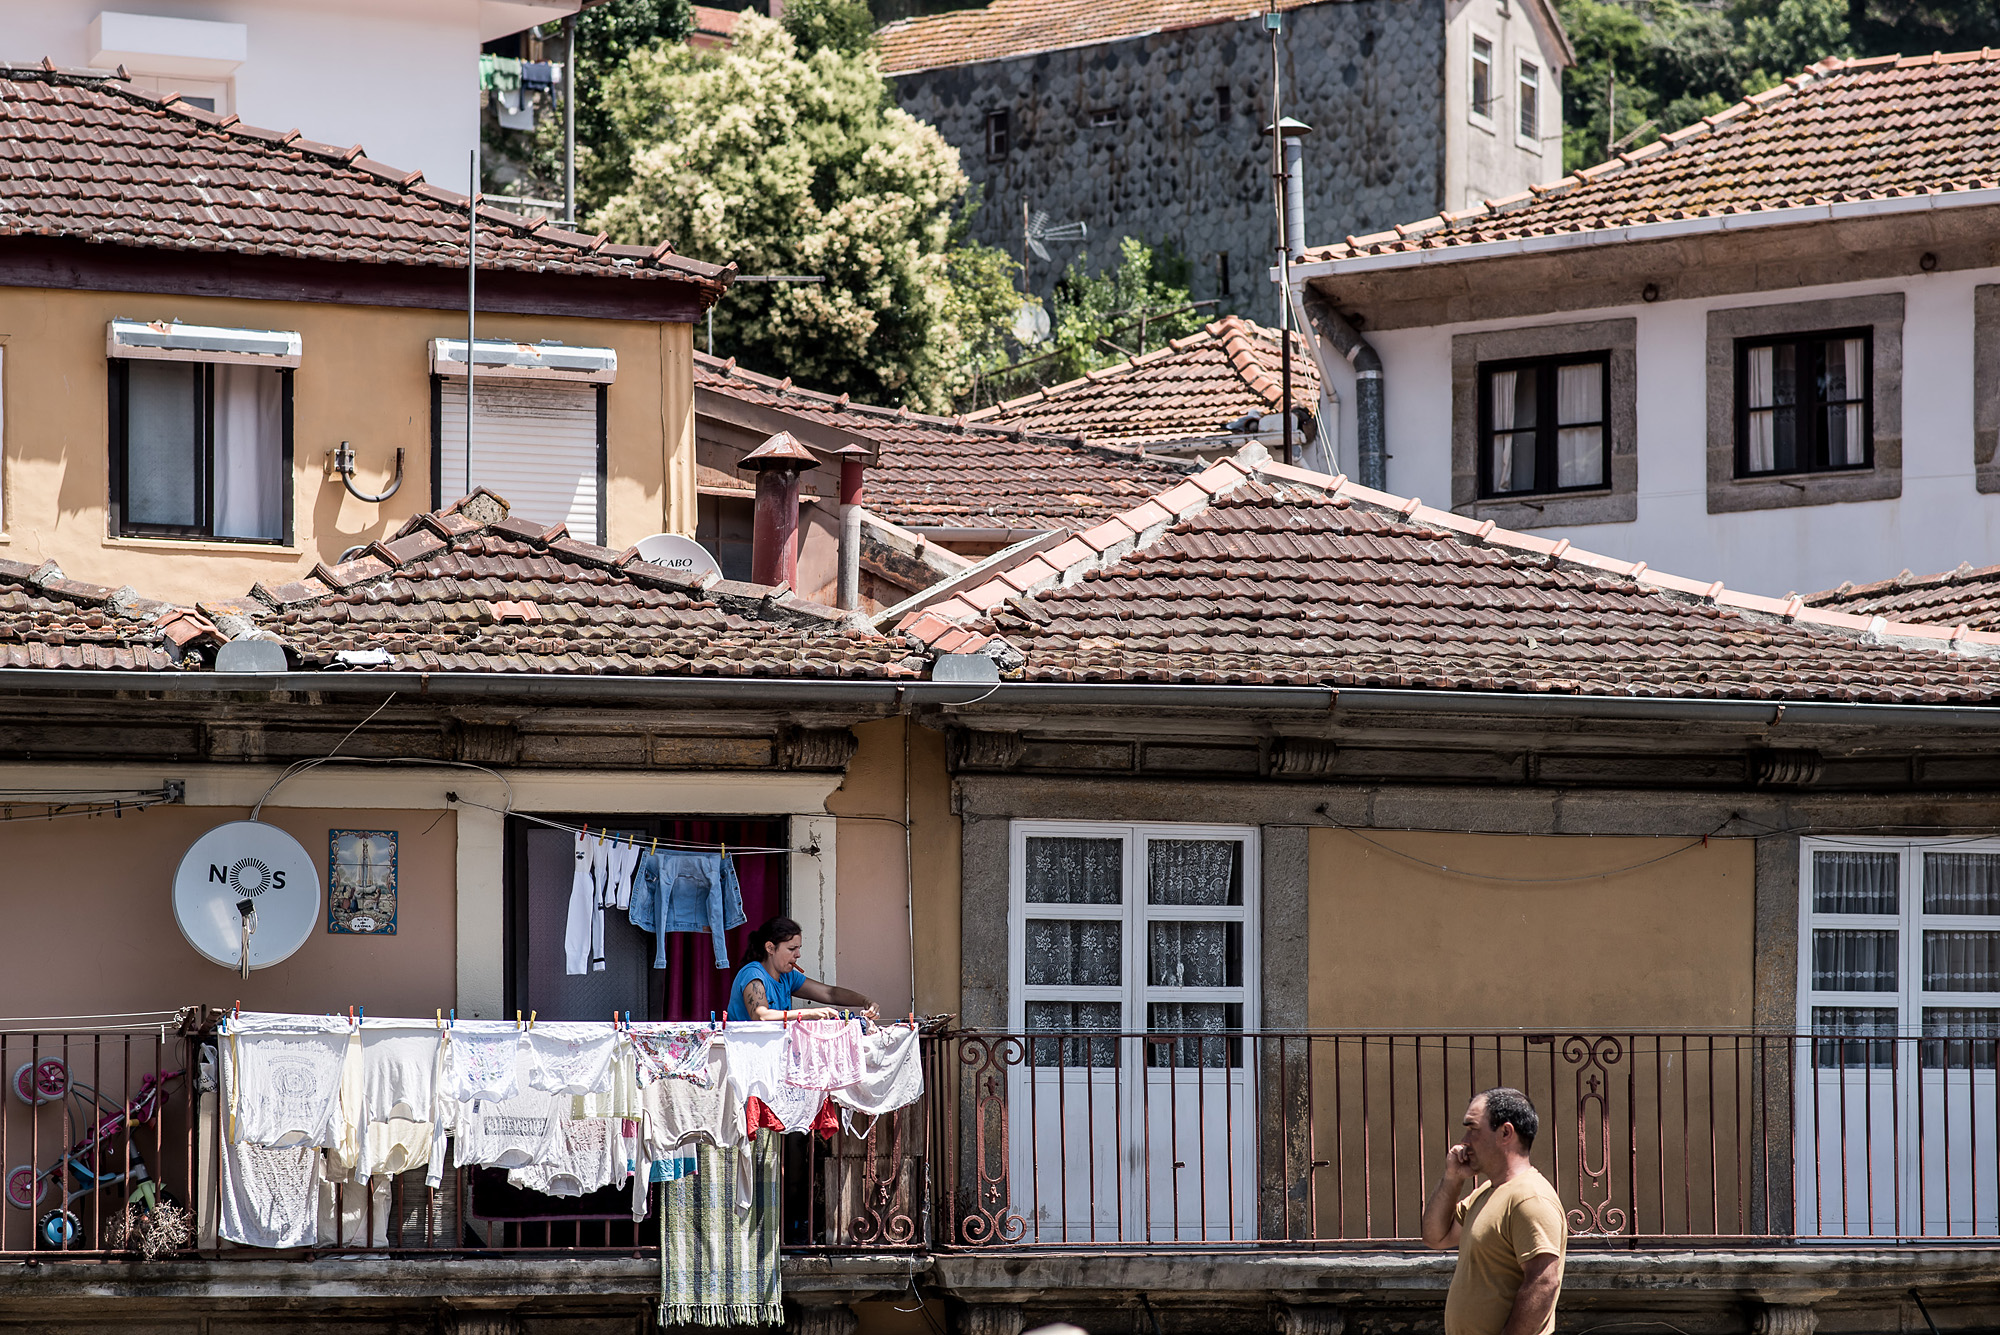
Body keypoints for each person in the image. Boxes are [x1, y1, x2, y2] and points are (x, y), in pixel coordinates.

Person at [1421, 1088, 1566, 1335]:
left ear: (1506, 1132)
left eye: (1473, 1129)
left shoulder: (1530, 1198)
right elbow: (1435, 1237)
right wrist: (1453, 1178)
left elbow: (1544, 1282)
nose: (1464, 1141)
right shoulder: (1487, 1192)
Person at [727, 915, 878, 1022]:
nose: (798, 955)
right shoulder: (753, 974)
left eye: (799, 948)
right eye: (792, 949)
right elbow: (761, 1015)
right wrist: (810, 1013)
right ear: (770, 948)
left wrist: (865, 1001)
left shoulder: (788, 976)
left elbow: (830, 993)